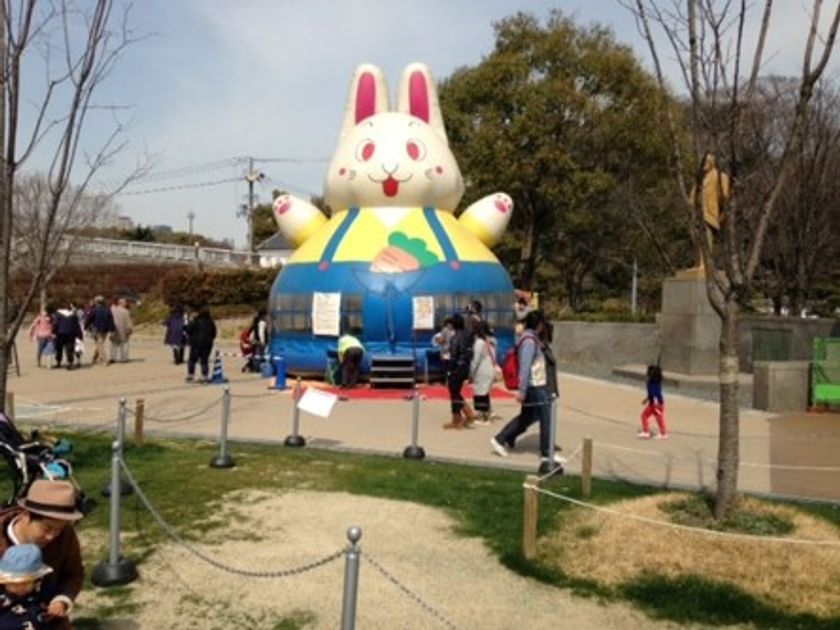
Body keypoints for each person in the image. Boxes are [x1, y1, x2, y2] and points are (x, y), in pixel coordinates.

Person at [0, 480, 85, 629]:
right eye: (46, 528)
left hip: (46, 618)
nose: (52, 536)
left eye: (59, 529)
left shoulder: (65, 536)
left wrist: (62, 600)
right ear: (26, 514)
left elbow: (73, 574)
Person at [490, 310, 562, 469]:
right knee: (546, 417)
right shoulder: (529, 341)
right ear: (539, 324)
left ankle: (502, 438)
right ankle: (546, 453)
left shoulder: (533, 340)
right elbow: (524, 367)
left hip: (535, 385)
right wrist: (522, 391)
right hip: (535, 385)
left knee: (528, 417)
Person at [0, 544, 55, 629]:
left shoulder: (40, 593)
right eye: (13, 584)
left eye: (25, 584)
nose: (19, 588)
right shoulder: (2, 596)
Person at [442, 314, 476, 429]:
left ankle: (459, 418)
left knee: (454, 393)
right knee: (456, 392)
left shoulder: (455, 338)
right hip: (465, 367)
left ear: (453, 325)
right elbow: (471, 353)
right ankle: (465, 415)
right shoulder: (468, 336)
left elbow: (454, 356)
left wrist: (448, 371)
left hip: (456, 368)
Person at [469, 320, 496, 425]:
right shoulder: (491, 341)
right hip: (490, 369)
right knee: (485, 392)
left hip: (482, 371)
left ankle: (483, 418)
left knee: (480, 393)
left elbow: (475, 360)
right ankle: (487, 413)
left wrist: (471, 373)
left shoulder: (479, 343)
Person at [185, 306, 216, 383]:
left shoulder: (196, 321)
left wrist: (190, 321)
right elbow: (214, 332)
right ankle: (204, 375)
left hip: (196, 343)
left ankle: (190, 375)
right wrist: (210, 339)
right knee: (204, 360)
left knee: (192, 359)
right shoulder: (210, 321)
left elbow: (188, 330)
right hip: (207, 343)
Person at [638, 364, 667, 439]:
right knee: (647, 416)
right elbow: (652, 393)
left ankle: (661, 433)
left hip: (655, 404)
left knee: (656, 417)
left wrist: (655, 404)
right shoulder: (657, 381)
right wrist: (647, 399)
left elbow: (654, 393)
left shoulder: (651, 383)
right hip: (655, 403)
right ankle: (647, 431)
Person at [50, 304, 82, 371]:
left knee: (59, 348)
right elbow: (77, 325)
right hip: (71, 333)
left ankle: (58, 362)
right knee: (69, 348)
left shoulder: (58, 314)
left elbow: (56, 323)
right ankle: (69, 363)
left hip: (60, 333)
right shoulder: (73, 315)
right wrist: (79, 334)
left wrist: (53, 331)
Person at [85, 296, 114, 366]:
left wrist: (85, 327)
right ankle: (94, 358)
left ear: (96, 302)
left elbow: (89, 320)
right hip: (105, 330)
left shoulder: (94, 310)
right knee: (99, 344)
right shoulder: (108, 310)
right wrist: (112, 329)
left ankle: (105, 360)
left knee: (100, 345)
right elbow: (111, 321)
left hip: (97, 329)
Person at [109, 298, 133, 363]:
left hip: (114, 330)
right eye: (125, 302)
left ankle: (112, 357)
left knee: (113, 344)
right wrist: (130, 330)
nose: (126, 304)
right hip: (123, 330)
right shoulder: (126, 311)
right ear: (121, 303)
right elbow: (128, 322)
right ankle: (124, 358)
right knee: (124, 344)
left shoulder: (112, 310)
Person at [431, 317, 455, 381]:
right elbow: (441, 341)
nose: (452, 325)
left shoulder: (448, 330)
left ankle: (448, 380)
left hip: (448, 352)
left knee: (447, 367)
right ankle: (448, 380)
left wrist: (438, 340)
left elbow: (441, 341)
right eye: (451, 324)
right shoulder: (448, 330)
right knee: (448, 367)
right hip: (447, 351)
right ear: (448, 324)